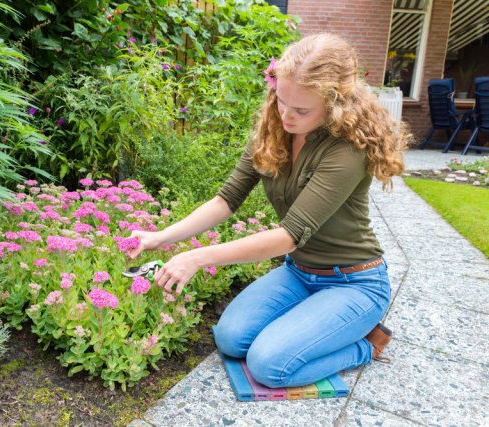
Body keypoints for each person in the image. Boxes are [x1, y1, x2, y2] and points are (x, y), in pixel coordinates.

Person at [127, 33, 411, 388]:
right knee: (230, 340)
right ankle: (312, 324)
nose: (286, 116)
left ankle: (366, 344)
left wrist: (197, 258)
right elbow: (225, 200)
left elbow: (289, 236)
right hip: (299, 274)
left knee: (270, 366)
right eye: (281, 101)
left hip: (353, 282)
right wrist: (159, 237)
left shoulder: (346, 150)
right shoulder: (273, 131)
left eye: (301, 110)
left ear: (335, 103)